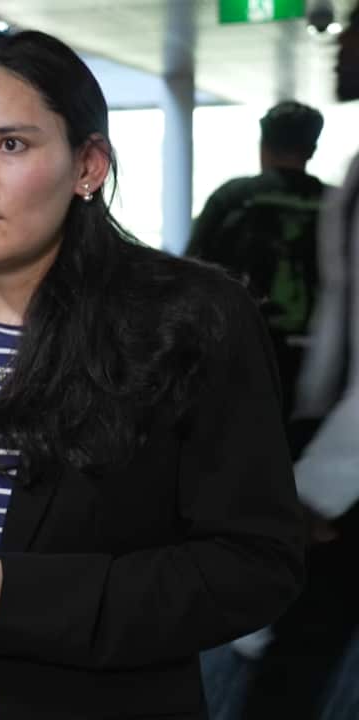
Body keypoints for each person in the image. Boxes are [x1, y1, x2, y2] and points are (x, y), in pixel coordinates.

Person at [0, 30, 305, 720]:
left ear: (88, 165)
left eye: (10, 144)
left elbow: (254, 564)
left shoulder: (193, 320)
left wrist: (18, 602)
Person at [240, 7, 359, 718]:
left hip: (337, 455)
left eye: (356, 25)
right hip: (322, 427)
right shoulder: (340, 186)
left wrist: (321, 482)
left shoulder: (238, 199)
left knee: (296, 655)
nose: (341, 39)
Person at [185, 100, 328, 423]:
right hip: (320, 357)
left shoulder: (234, 197)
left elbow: (190, 272)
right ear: (311, 150)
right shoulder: (334, 204)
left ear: (264, 145)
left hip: (242, 350)